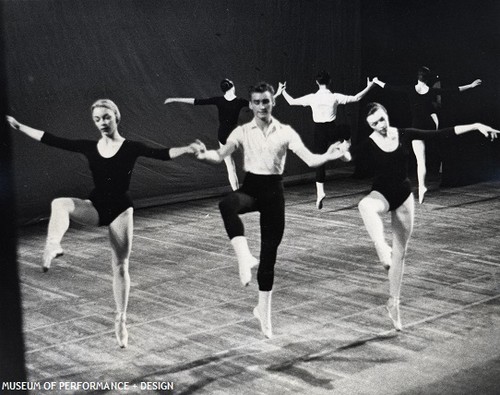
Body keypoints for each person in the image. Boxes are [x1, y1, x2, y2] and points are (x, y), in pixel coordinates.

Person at [6, 99, 198, 348]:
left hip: (121, 210)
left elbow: (161, 154)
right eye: (97, 119)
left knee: (120, 265)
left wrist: (186, 149)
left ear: (116, 116)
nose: (102, 123)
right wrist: (20, 127)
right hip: (96, 206)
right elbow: (52, 139)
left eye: (106, 117)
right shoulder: (89, 147)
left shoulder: (130, 147)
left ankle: (121, 318)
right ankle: (53, 244)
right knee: (59, 204)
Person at [194, 82, 350, 339]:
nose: (262, 106)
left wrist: (331, 155)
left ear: (272, 103)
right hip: (252, 188)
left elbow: (311, 160)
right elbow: (220, 155)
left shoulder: (286, 132)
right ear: (252, 105)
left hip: (274, 195)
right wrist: (203, 154)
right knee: (227, 204)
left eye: (266, 101)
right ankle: (243, 257)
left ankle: (263, 312)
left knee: (269, 258)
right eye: (256, 102)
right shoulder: (242, 132)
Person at [352, 102, 497, 331]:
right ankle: (381, 248)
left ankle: (394, 302)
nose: (380, 125)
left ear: (386, 114)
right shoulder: (368, 143)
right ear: (369, 126)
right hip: (381, 193)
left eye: (381, 119)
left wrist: (476, 125)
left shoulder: (403, 134)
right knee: (364, 206)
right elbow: (347, 156)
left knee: (400, 254)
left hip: (403, 196)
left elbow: (441, 134)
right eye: (374, 123)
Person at [373, 67, 482, 203]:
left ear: (418, 77)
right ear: (428, 79)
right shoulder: (432, 91)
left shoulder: (409, 89)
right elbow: (454, 90)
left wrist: (377, 82)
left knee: (420, 160)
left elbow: (391, 88)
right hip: (429, 125)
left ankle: (422, 186)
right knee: (433, 146)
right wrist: (471, 86)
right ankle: (425, 182)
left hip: (417, 128)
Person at [164, 78, 284, 191]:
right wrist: (278, 93)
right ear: (232, 88)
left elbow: (197, 101)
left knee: (230, 167)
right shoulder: (239, 102)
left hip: (222, 136)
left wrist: (175, 99)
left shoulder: (219, 100)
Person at [279, 72, 375, 209]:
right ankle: (345, 146)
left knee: (320, 163)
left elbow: (291, 101)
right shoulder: (334, 97)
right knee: (346, 128)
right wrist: (369, 87)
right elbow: (356, 98)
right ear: (330, 82)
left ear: (317, 83)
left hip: (319, 132)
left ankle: (320, 193)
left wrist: (283, 91)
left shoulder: (312, 98)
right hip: (332, 130)